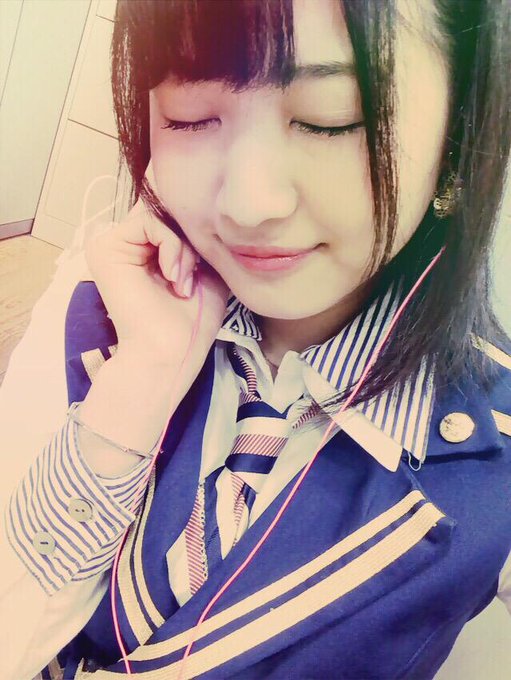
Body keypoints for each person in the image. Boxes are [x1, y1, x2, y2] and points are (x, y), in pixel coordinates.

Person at [1, 0, 510, 677]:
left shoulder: (492, 444)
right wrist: (143, 377)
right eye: (188, 116)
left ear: (459, 131)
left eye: (330, 118)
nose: (246, 202)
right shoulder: (100, 306)